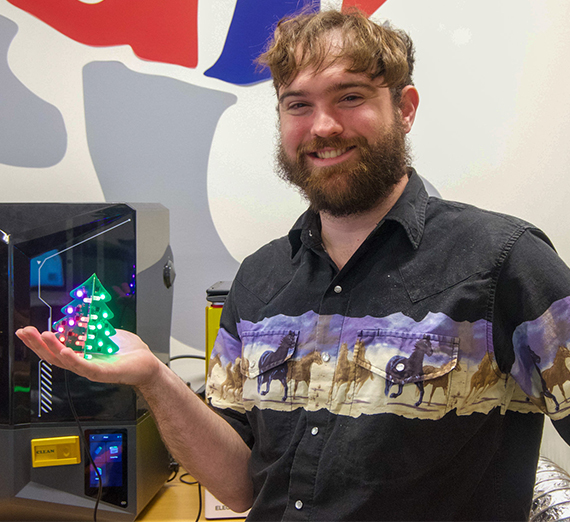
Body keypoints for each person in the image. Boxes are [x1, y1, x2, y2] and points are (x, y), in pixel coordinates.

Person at [16, 8, 570, 522]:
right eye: (298, 104)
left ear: (404, 109)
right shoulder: (259, 280)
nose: (323, 126)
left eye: (350, 96)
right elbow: (239, 487)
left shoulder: (503, 262)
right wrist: (155, 381)